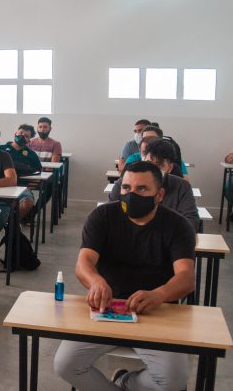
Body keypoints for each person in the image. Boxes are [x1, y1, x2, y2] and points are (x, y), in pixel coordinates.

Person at [54, 161, 195, 391]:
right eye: (126, 188)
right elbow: (84, 264)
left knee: (174, 380)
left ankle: (126, 381)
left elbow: (186, 277)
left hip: (156, 312)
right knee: (65, 365)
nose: (132, 195)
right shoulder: (102, 216)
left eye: (142, 189)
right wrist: (96, 281)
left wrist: (159, 295)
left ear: (159, 195)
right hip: (106, 307)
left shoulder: (178, 226)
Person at [110, 139, 198, 230]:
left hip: (167, 241)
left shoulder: (182, 187)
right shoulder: (125, 183)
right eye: (148, 163)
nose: (153, 169)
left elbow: (190, 222)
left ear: (170, 167)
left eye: (159, 165)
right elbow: (111, 216)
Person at [0, 124, 42, 218]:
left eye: (26, 136)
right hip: (1, 185)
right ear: (15, 134)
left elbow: (38, 171)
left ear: (29, 140)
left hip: (21, 186)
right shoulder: (1, 149)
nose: (22, 137)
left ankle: (13, 225)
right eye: (21, 133)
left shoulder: (31, 155)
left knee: (27, 202)